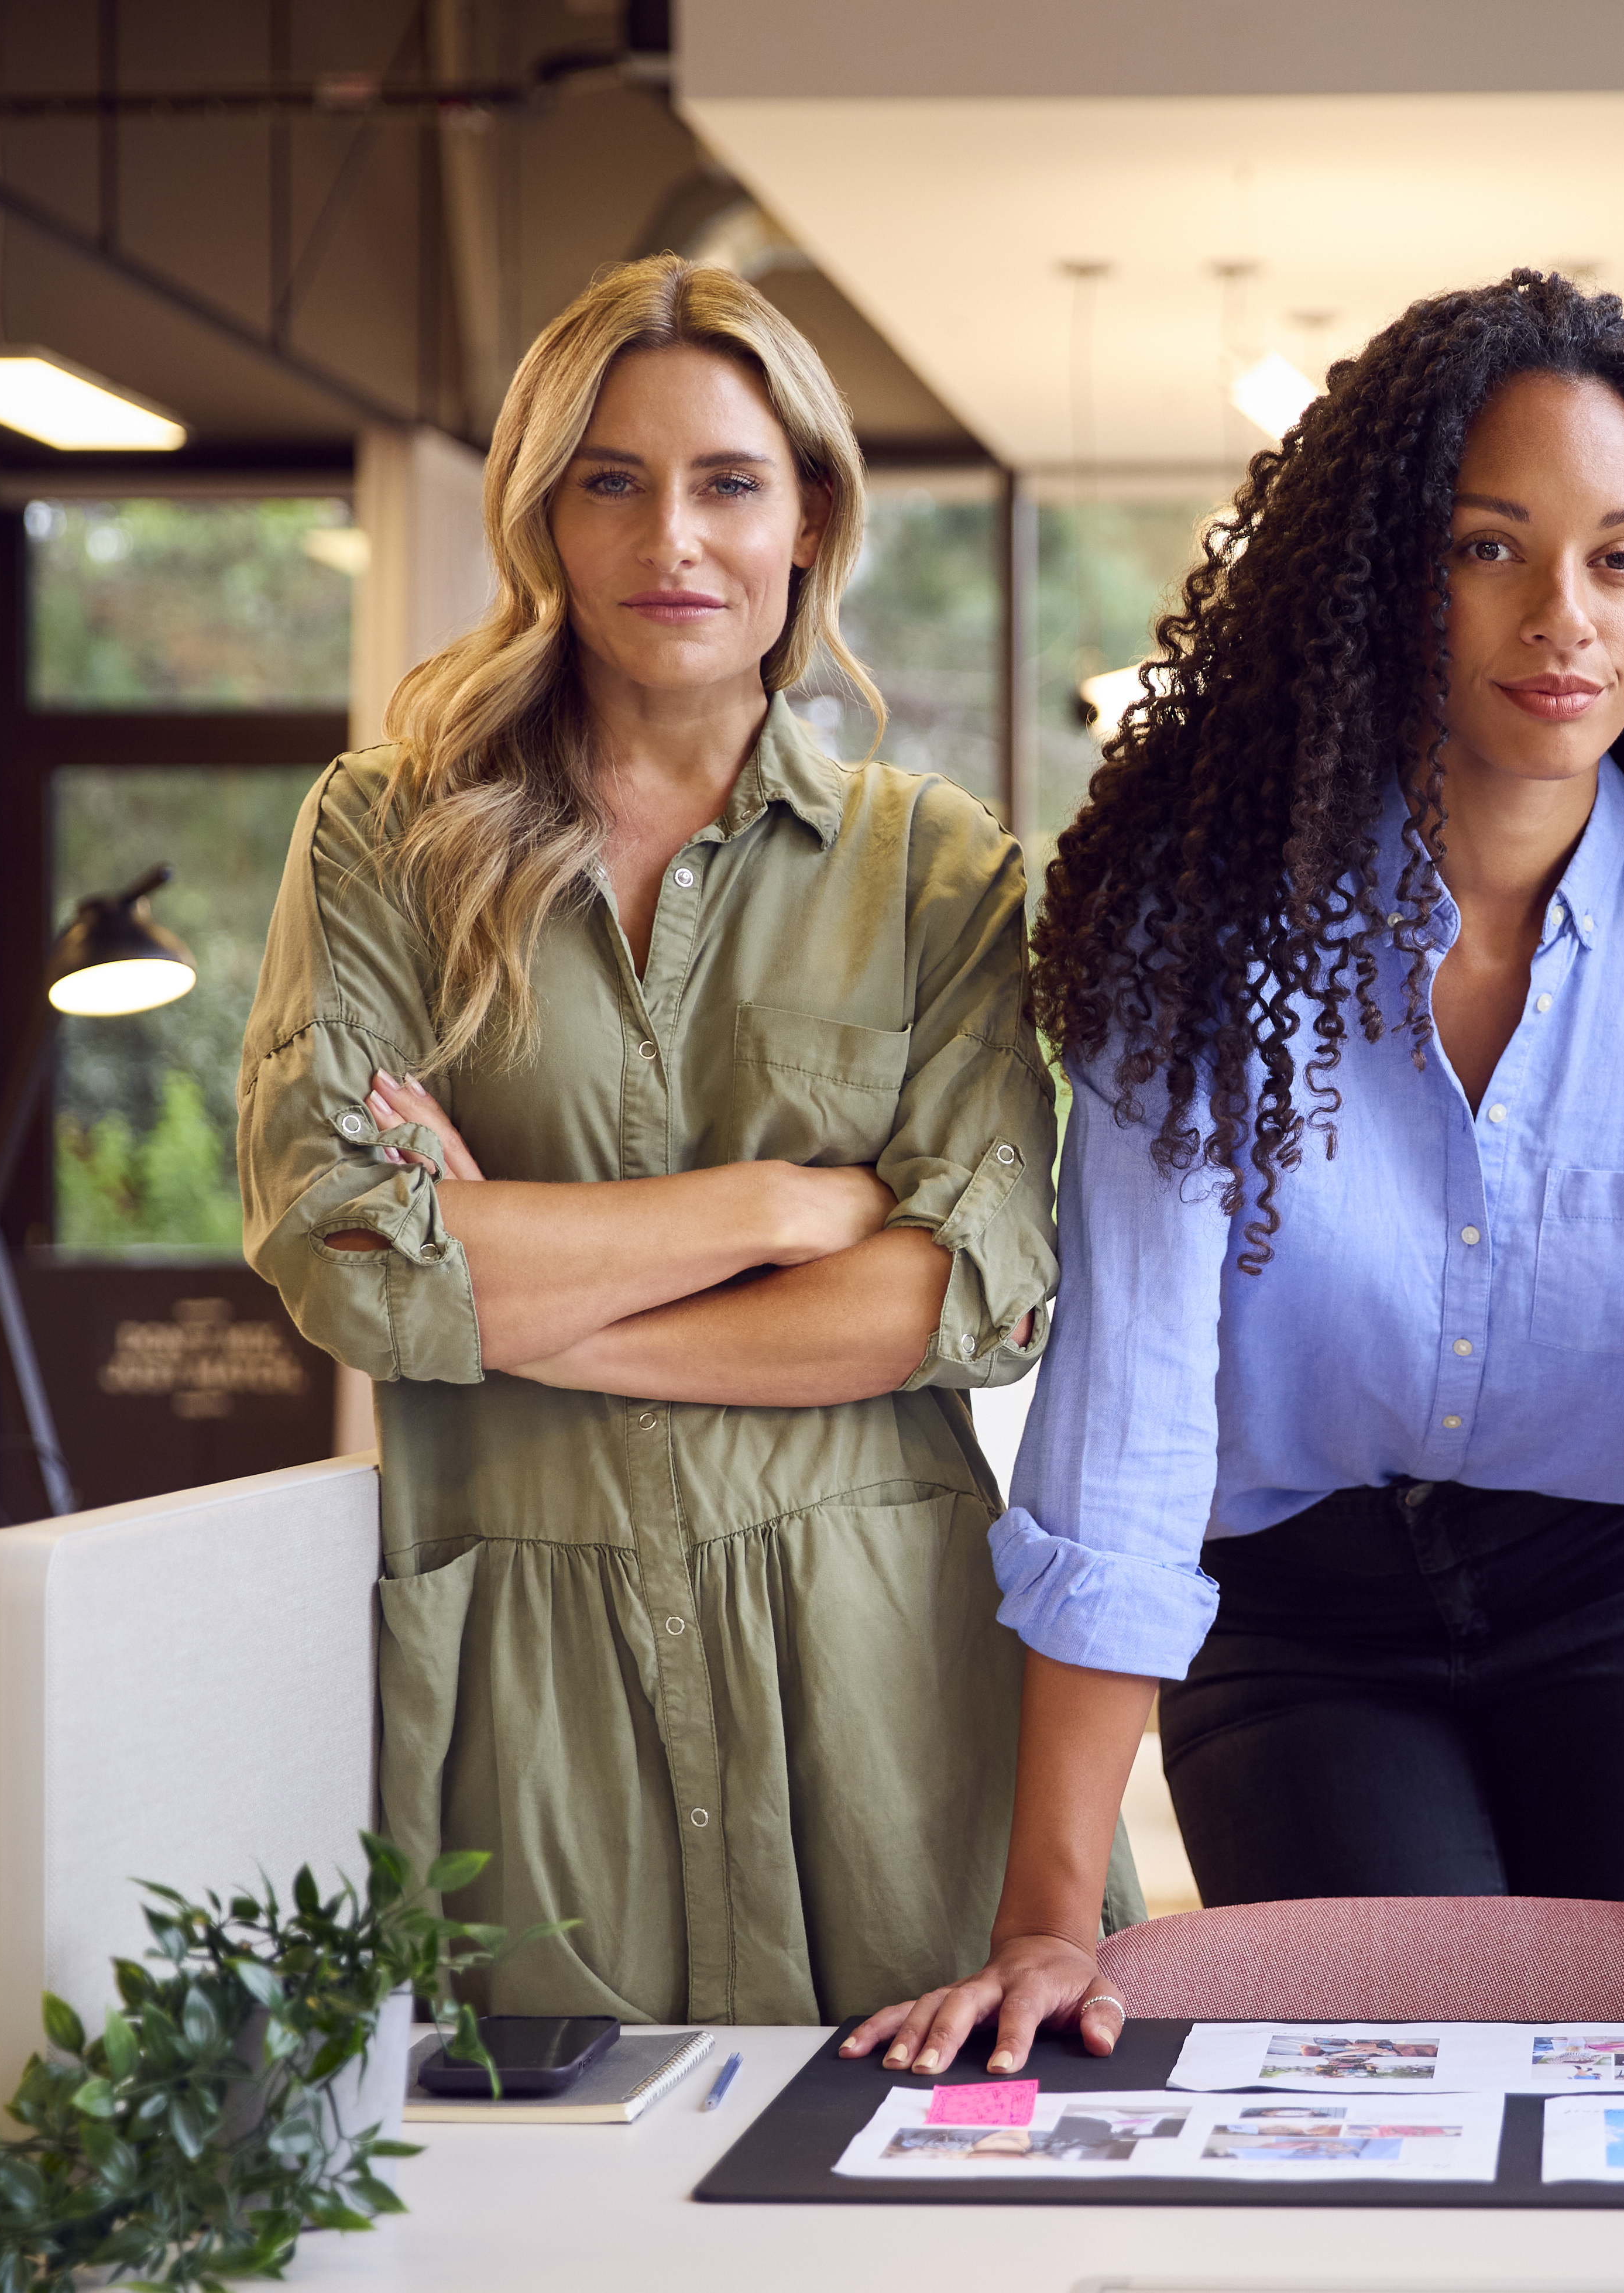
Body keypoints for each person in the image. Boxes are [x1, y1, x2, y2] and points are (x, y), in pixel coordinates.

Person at [849, 269, 1624, 2081]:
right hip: (1298, 1614)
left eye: (1620, 557)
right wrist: (1048, 1920)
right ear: (1384, 574)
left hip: (1614, 1607)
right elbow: (1129, 1424)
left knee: (1620, 2104)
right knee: (1403, 2088)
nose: (1562, 617)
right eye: (1492, 548)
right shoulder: (1208, 935)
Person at [235, 255, 1111, 2025]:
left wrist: (524, 1294)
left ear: (809, 521)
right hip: (522, 1669)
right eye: (610, 482)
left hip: (883, 1675)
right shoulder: (386, 835)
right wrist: (782, 1206)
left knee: (953, 2188)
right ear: (541, 517)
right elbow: (353, 1257)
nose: (672, 541)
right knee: (535, 2220)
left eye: (728, 483)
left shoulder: (936, 871)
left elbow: (968, 1302)